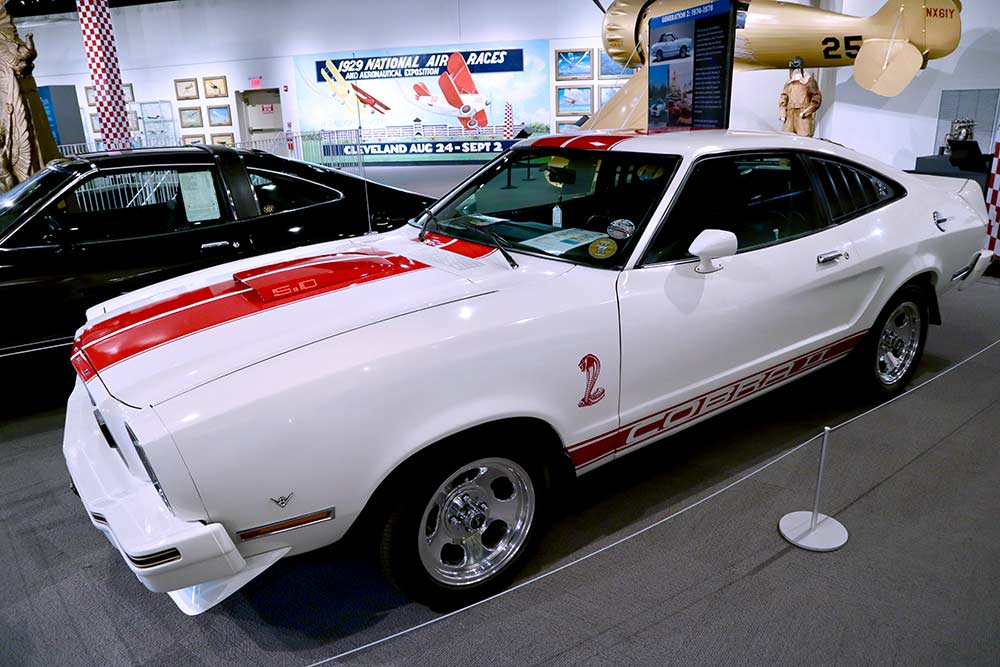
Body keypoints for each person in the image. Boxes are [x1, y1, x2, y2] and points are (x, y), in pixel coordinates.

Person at [779, 56, 822, 137]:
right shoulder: (789, 83)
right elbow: (783, 99)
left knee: (804, 139)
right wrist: (783, 114)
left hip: (802, 118)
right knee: (787, 139)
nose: (796, 70)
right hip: (789, 116)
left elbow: (816, 100)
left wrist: (805, 112)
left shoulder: (809, 82)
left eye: (797, 67)